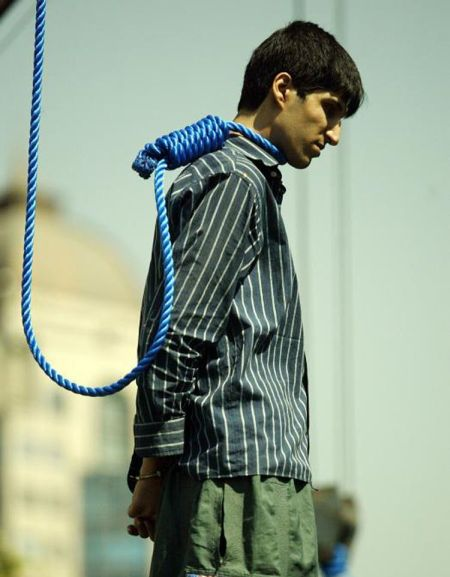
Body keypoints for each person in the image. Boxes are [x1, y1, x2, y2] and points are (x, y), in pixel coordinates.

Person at [126, 20, 364, 577]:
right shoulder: (235, 182)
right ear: (283, 89)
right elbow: (179, 336)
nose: (334, 134)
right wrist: (153, 472)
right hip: (238, 485)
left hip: (250, 479)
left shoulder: (233, 178)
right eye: (329, 110)